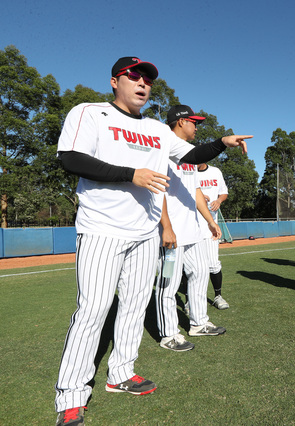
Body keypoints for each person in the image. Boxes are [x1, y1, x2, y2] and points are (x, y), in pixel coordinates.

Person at [54, 56, 251, 425]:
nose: (143, 83)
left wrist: (221, 143)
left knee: (132, 306)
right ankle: (71, 395)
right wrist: (131, 174)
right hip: (101, 229)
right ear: (115, 81)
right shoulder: (91, 113)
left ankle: (121, 374)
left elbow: (192, 155)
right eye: (134, 76)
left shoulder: (157, 129)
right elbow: (70, 159)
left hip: (144, 232)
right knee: (93, 311)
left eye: (148, 79)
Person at [155, 105, 227, 353]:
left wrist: (209, 220)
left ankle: (199, 323)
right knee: (169, 283)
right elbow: (157, 190)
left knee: (200, 275)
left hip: (194, 230)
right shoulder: (162, 149)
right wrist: (166, 226)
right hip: (171, 232)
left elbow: (196, 191)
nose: (196, 127)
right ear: (180, 122)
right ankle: (169, 334)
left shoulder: (191, 156)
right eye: (193, 122)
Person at [197, 162, 230, 309]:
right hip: (190, 226)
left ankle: (218, 296)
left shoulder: (216, 172)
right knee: (190, 267)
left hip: (211, 227)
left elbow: (224, 192)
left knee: (213, 263)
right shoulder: (187, 171)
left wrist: (218, 200)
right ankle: (188, 301)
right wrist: (197, 195)